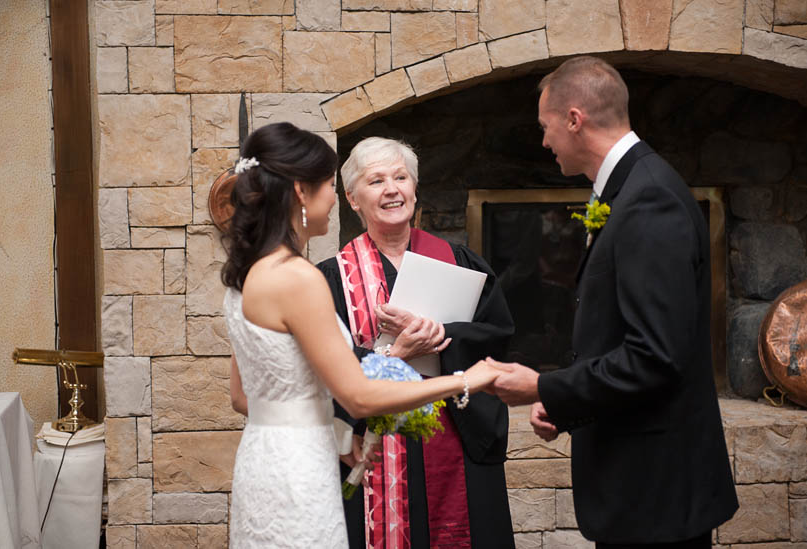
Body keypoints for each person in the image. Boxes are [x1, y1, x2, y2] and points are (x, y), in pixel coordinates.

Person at [487, 56, 739, 548]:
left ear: (575, 120)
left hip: (656, 491)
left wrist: (543, 383)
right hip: (640, 486)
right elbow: (618, 337)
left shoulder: (649, 201)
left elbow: (654, 357)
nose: (543, 142)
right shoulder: (632, 189)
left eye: (546, 127)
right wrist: (566, 404)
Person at [220, 122, 500, 549]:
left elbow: (243, 397)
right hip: (304, 466)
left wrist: (445, 336)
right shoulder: (306, 278)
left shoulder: (247, 274)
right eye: (330, 186)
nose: (332, 198)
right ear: (302, 192)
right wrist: (464, 379)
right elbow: (358, 397)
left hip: (266, 458)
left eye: (401, 177)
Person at [317, 137, 516, 548]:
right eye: (376, 181)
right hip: (373, 442)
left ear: (414, 188)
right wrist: (395, 354)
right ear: (353, 200)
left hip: (453, 434)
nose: (392, 189)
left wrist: (443, 337)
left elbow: (497, 338)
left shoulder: (461, 263)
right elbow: (320, 365)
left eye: (401, 177)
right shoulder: (329, 279)